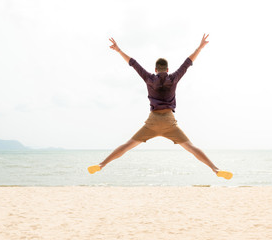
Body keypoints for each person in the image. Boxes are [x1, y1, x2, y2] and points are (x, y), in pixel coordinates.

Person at [88, 34, 233, 180]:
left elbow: (133, 63)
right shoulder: (174, 77)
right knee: (192, 148)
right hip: (169, 122)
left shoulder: (149, 78)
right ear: (167, 69)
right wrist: (200, 47)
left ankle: (101, 164)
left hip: (152, 122)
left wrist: (119, 50)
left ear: (156, 69)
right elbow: (187, 63)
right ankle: (215, 169)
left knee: (127, 145)